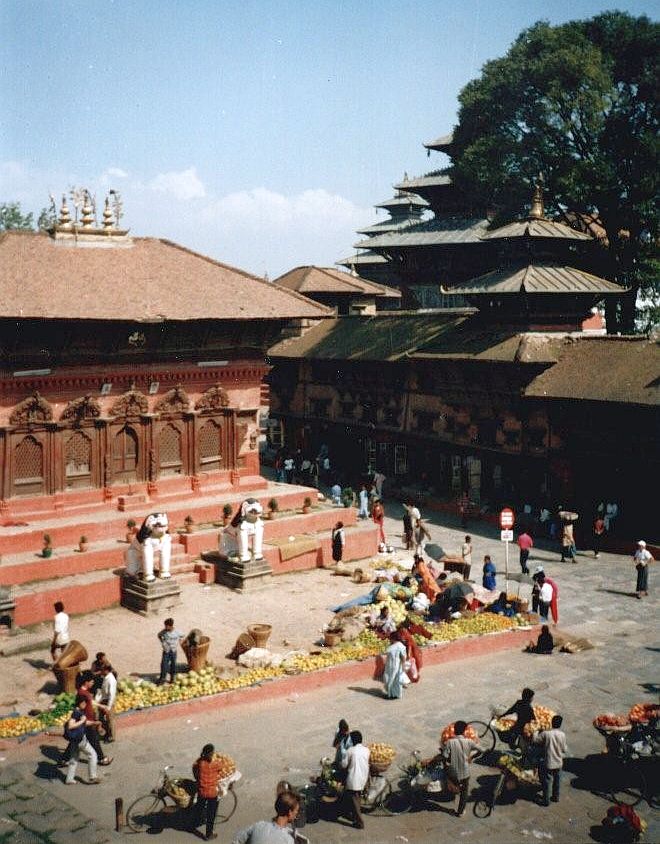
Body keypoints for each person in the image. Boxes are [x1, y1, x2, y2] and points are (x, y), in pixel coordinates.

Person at [443, 720, 481, 817]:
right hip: (465, 772)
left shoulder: (449, 742)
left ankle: (453, 789)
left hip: (453, 772)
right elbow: (482, 750)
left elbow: (445, 756)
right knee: (465, 790)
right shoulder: (469, 742)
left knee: (449, 777)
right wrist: (471, 757)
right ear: (464, 731)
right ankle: (460, 811)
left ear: (454, 730)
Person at [232, 790, 300, 843]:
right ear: (290, 813)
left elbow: (237, 841)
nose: (297, 814)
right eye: (296, 811)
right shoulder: (288, 840)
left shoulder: (258, 826)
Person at [62, 694, 100, 785]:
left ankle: (69, 779)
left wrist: (93, 723)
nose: (86, 705)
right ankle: (92, 777)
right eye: (85, 703)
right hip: (80, 740)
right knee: (93, 754)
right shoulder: (77, 712)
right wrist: (82, 721)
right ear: (81, 702)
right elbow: (71, 725)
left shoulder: (78, 712)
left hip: (75, 740)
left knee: (73, 759)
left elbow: (84, 723)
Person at [533, 715, 567, 806]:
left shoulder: (546, 734)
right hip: (559, 762)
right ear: (560, 724)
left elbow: (535, 740)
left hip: (548, 762)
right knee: (557, 781)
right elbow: (564, 749)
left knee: (546, 782)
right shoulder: (562, 735)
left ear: (552, 723)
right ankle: (556, 797)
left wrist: (537, 731)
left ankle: (546, 800)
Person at [193, 743, 224, 841]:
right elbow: (222, 765)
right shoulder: (214, 764)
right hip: (211, 793)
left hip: (202, 791)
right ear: (211, 754)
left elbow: (195, 767)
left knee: (199, 807)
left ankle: (194, 822)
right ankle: (208, 834)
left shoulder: (200, 763)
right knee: (211, 814)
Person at [340, 731, 370, 829]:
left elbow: (344, 765)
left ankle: (360, 822)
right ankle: (353, 815)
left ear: (352, 740)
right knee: (357, 798)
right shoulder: (367, 750)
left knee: (355, 801)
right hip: (364, 778)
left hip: (354, 780)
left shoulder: (350, 751)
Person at [95, 662, 117, 743]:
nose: (101, 671)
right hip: (104, 700)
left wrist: (108, 706)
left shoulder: (111, 680)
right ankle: (107, 733)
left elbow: (112, 694)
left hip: (108, 701)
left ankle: (111, 736)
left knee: (110, 719)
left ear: (106, 670)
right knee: (101, 717)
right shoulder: (106, 677)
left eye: (102, 670)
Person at [157, 617, 183, 684]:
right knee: (164, 664)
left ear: (171, 626)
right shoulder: (164, 632)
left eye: (167, 626)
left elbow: (182, 636)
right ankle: (162, 678)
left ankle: (172, 678)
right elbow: (159, 635)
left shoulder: (177, 632)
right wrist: (162, 641)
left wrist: (180, 641)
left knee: (173, 665)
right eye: (165, 626)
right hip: (166, 651)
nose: (165, 627)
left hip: (173, 651)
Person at [382, 631, 407, 699]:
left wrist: (403, 665)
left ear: (393, 638)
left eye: (390, 638)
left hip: (395, 665)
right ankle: (393, 694)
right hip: (390, 665)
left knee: (392, 680)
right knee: (389, 679)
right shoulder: (393, 645)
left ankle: (392, 694)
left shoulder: (400, 646)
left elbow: (403, 656)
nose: (389, 639)